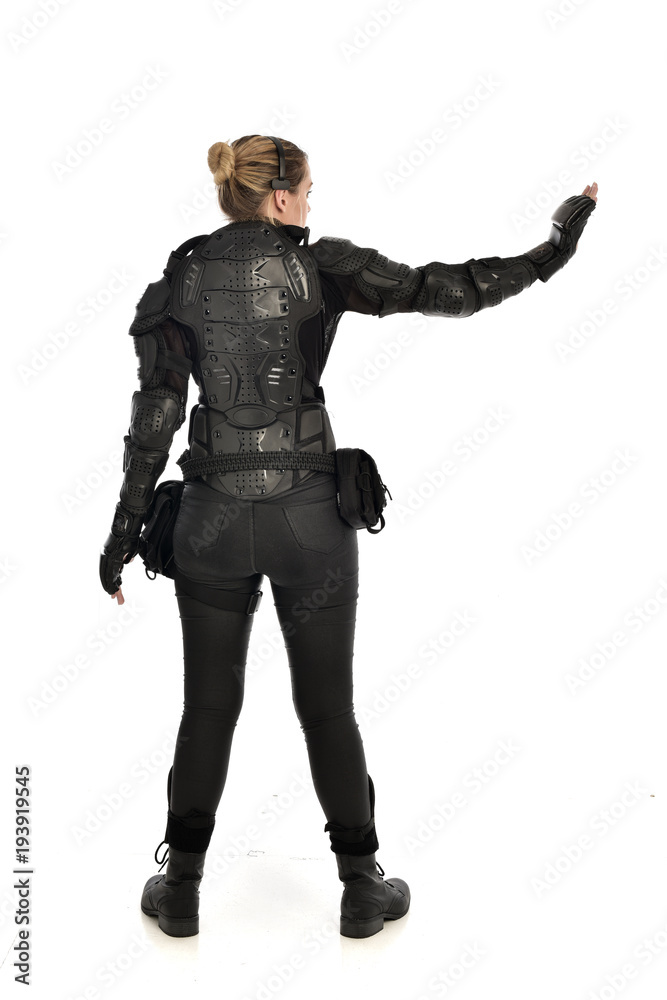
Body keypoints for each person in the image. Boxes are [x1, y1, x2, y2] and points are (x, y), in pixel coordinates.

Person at [99, 134, 598, 939]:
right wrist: (554, 247)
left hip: (210, 521)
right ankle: (362, 888)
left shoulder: (178, 278)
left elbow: (153, 416)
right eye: (310, 190)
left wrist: (122, 531)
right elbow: (452, 291)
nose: (312, 203)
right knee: (328, 711)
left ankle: (182, 890)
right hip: (308, 518)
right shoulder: (321, 265)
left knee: (206, 707)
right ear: (284, 197)